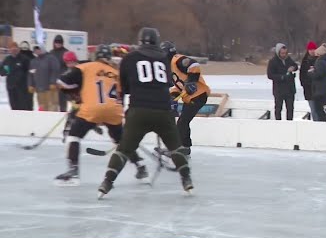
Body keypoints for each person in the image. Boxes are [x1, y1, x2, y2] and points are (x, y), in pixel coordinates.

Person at [98, 27, 193, 198]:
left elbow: (125, 88)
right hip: (163, 110)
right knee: (175, 147)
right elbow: (167, 83)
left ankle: (107, 182)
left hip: (139, 110)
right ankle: (187, 180)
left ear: (140, 41)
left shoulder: (130, 58)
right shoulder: (164, 59)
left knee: (124, 149)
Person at [54, 44, 147, 185]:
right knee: (121, 141)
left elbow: (61, 82)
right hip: (114, 111)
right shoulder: (116, 73)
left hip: (92, 108)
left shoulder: (85, 67)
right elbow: (122, 94)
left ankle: (73, 172)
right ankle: (140, 166)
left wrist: (76, 95)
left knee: (74, 135)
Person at [160, 40, 211, 156]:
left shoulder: (176, 59)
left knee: (182, 122)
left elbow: (194, 65)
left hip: (198, 94)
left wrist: (191, 82)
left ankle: (181, 148)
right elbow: (179, 86)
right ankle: (185, 147)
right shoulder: (169, 67)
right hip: (191, 97)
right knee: (183, 122)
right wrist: (172, 97)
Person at [266, 43, 298, 120]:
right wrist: (282, 77)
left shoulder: (288, 59)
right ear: (278, 52)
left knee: (290, 109)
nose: (284, 55)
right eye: (282, 53)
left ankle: (290, 124)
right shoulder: (273, 61)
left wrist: (293, 68)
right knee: (278, 108)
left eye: (285, 53)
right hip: (279, 89)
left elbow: (295, 66)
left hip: (290, 89)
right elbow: (270, 75)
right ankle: (278, 124)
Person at [28, 45, 60, 111]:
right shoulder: (33, 61)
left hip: (50, 89)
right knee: (42, 108)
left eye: (39, 49)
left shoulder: (51, 58)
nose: (37, 51)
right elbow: (31, 74)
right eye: (36, 49)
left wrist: (53, 82)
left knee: (52, 107)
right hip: (39, 90)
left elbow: (55, 70)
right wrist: (30, 84)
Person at [0, 41, 31, 110]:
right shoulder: (7, 60)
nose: (13, 51)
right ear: (9, 50)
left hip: (22, 88)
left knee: (23, 106)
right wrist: (6, 71)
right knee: (13, 106)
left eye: (15, 49)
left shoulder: (24, 59)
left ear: (18, 49)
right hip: (11, 88)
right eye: (12, 49)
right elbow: (2, 72)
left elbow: (29, 72)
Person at [307, 43, 326, 121]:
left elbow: (319, 74)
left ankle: (321, 127)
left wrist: (311, 72)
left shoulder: (320, 62)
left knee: (319, 111)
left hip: (319, 91)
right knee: (323, 111)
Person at [299, 41, 319, 120]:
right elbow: (302, 75)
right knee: (313, 110)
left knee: (320, 110)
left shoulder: (319, 60)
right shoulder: (305, 61)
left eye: (314, 49)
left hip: (318, 89)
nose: (312, 51)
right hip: (309, 90)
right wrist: (305, 84)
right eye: (310, 49)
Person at [50, 34, 69, 112]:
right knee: (53, 102)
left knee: (62, 102)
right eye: (57, 42)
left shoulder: (66, 52)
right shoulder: (51, 53)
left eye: (60, 42)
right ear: (54, 43)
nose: (58, 44)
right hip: (53, 80)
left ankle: (63, 113)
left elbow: (69, 66)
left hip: (62, 80)